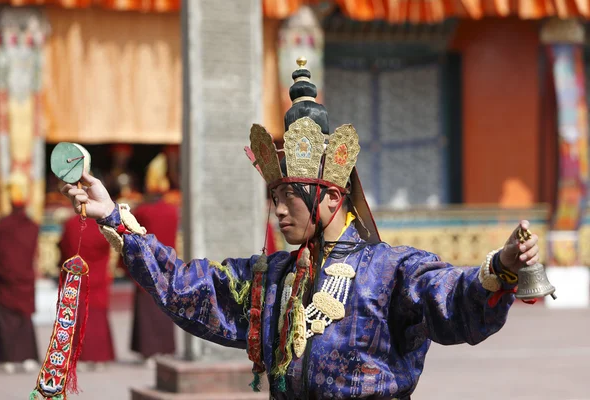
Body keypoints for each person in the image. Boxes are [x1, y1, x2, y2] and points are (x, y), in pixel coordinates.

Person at [61, 58, 541, 399]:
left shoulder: (391, 271)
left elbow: (450, 297)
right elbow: (187, 286)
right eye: (274, 199)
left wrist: (498, 267)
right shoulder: (271, 278)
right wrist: (112, 217)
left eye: (289, 197)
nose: (279, 212)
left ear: (333, 197)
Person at [128, 153, 177, 361]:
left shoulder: (143, 211)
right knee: (164, 308)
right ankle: (165, 349)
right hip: (167, 268)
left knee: (148, 310)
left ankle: (148, 351)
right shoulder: (172, 211)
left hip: (145, 267)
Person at [0, 180, 39, 373]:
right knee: (24, 318)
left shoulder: (0, 228)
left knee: (5, 317)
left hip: (4, 280)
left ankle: (6, 358)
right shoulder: (31, 227)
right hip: (24, 278)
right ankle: (27, 356)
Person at [59, 214, 115, 368]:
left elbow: (64, 249)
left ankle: (80, 357)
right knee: (97, 316)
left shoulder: (70, 223)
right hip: (98, 275)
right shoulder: (102, 226)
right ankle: (99, 357)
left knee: (78, 314)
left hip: (77, 277)